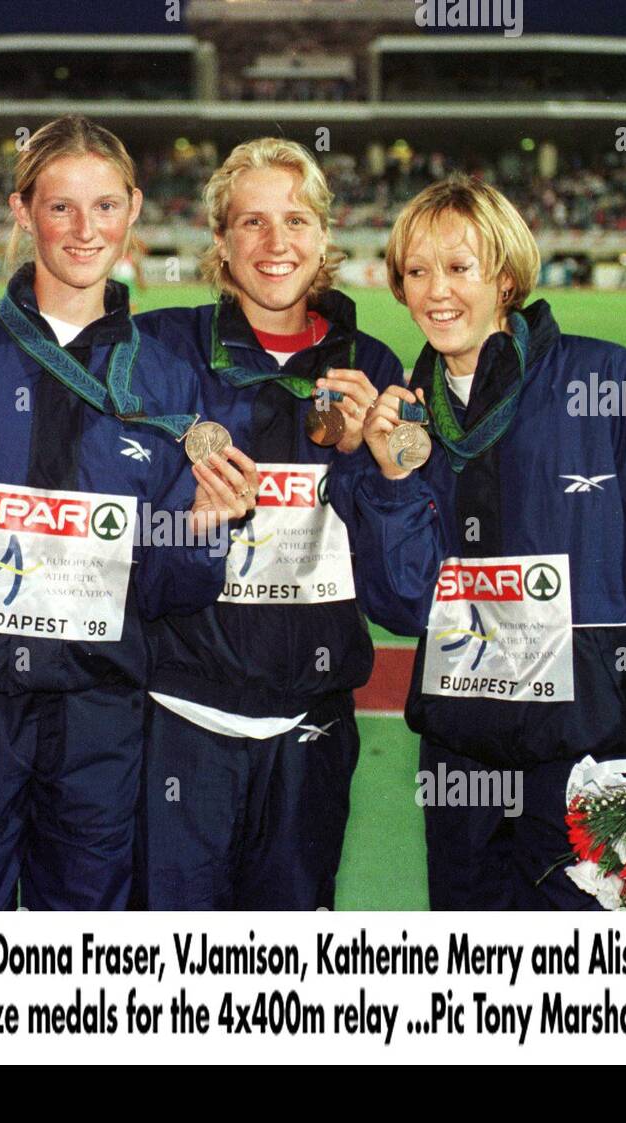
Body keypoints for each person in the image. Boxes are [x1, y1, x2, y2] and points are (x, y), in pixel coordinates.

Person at [329, 174, 626, 910]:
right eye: (416, 271)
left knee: (586, 999)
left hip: (591, 759)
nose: (437, 291)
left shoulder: (604, 381)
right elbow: (408, 606)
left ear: (504, 277)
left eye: (459, 267)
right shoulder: (405, 419)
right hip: (463, 765)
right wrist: (389, 480)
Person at [0, 116, 258, 911]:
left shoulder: (166, 381)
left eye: (103, 206)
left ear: (132, 209)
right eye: (60, 207)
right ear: (23, 213)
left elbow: (168, 586)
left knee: (84, 949)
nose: (83, 229)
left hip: (99, 711)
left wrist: (203, 523)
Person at [133, 138, 405, 910]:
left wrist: (369, 467)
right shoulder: (162, 354)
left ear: (324, 236)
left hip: (311, 731)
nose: (275, 243)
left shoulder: (374, 366)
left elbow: (403, 596)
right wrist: (194, 527)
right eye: (251, 223)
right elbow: (122, 563)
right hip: (179, 722)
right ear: (219, 242)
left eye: (294, 220)